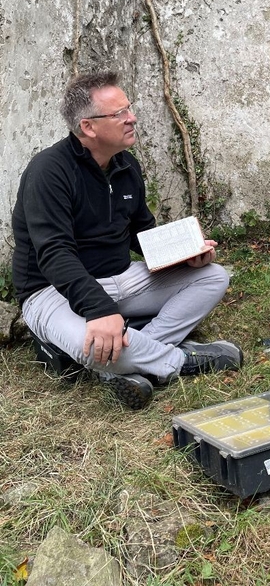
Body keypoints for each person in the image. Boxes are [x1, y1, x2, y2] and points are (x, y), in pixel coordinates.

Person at [11, 71, 243, 409]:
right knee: (86, 342)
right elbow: (54, 253)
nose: (131, 117)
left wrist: (184, 255)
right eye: (119, 113)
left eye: (128, 108)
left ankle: (126, 361)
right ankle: (182, 361)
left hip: (121, 280)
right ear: (88, 127)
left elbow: (140, 231)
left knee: (213, 277)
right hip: (51, 291)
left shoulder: (125, 165)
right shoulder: (49, 172)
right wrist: (99, 310)